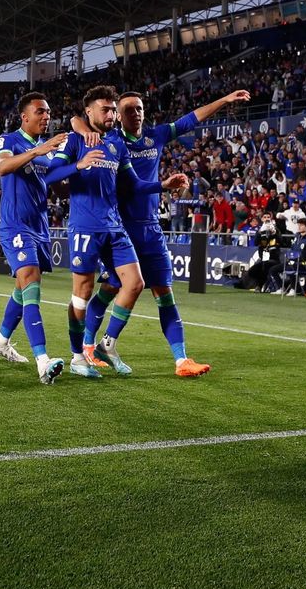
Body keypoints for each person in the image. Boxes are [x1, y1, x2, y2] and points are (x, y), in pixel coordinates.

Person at [75, 89, 248, 377]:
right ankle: (89, 346)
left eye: (140, 108)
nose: (137, 113)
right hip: (121, 228)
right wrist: (80, 125)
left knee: (164, 292)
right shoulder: (113, 141)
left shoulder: (155, 136)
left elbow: (190, 120)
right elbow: (75, 123)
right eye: (129, 110)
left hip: (151, 228)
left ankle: (181, 360)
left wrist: (224, 100)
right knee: (110, 288)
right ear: (118, 115)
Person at [48, 86, 153, 379]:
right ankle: (78, 356)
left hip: (114, 227)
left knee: (134, 283)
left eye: (113, 109)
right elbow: (51, 176)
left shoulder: (117, 143)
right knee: (81, 294)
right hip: (85, 228)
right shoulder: (73, 141)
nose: (111, 114)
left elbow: (134, 184)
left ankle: (107, 344)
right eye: (105, 109)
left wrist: (163, 185)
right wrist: (78, 165)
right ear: (90, 111)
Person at [0, 91, 71, 384]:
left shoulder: (48, 150)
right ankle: (43, 361)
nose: (46, 116)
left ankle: (0, 341)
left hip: (40, 227)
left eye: (48, 112)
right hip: (15, 226)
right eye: (40, 111)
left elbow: (57, 186)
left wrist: (76, 170)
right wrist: (39, 150)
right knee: (32, 282)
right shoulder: (8, 140)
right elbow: (3, 167)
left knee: (22, 289)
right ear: (24, 116)